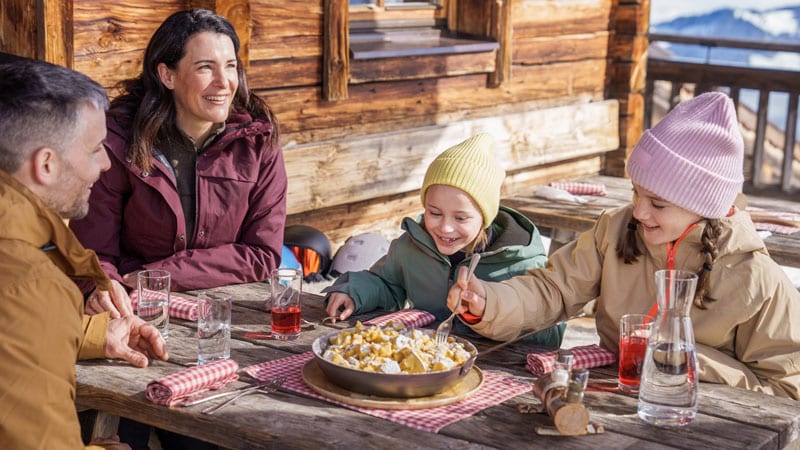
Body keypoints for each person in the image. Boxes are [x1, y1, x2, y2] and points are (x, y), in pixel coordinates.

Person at [447, 93, 800, 399]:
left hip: (706, 421)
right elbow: (553, 290)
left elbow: (786, 390)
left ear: (705, 207)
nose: (639, 211)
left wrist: (686, 361)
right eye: (636, 192)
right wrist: (490, 303)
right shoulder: (616, 230)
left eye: (658, 203)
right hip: (613, 399)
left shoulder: (757, 279)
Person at [0, 59, 168, 449]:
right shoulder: (31, 286)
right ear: (46, 164)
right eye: (95, 150)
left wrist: (91, 333)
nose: (106, 164)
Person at [70, 8, 287, 308]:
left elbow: (262, 253)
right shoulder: (118, 142)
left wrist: (160, 276)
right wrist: (103, 287)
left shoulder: (258, 142)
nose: (224, 82)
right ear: (167, 75)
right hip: (133, 307)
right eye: (205, 67)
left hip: (230, 308)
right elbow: (93, 252)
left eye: (230, 66)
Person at [324, 133, 566, 347]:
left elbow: (550, 334)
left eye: (461, 218)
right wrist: (354, 292)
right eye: (435, 213)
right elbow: (387, 285)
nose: (445, 227)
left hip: (496, 367)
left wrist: (485, 313)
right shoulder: (412, 247)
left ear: (486, 217)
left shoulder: (521, 262)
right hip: (421, 359)